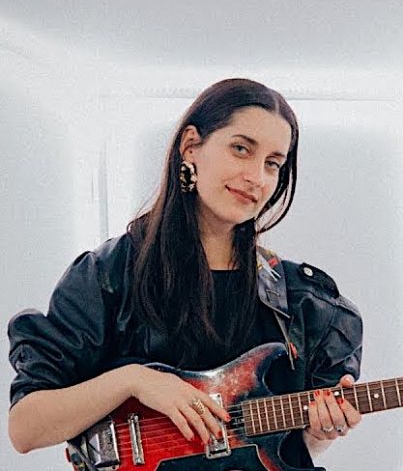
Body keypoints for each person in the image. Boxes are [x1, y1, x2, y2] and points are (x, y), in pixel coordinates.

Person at [7, 78, 363, 469]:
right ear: (191, 146)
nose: (257, 177)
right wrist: (134, 380)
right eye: (241, 149)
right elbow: (26, 429)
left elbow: (284, 452)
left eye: (272, 164)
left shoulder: (301, 301)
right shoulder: (109, 274)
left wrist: (318, 435)